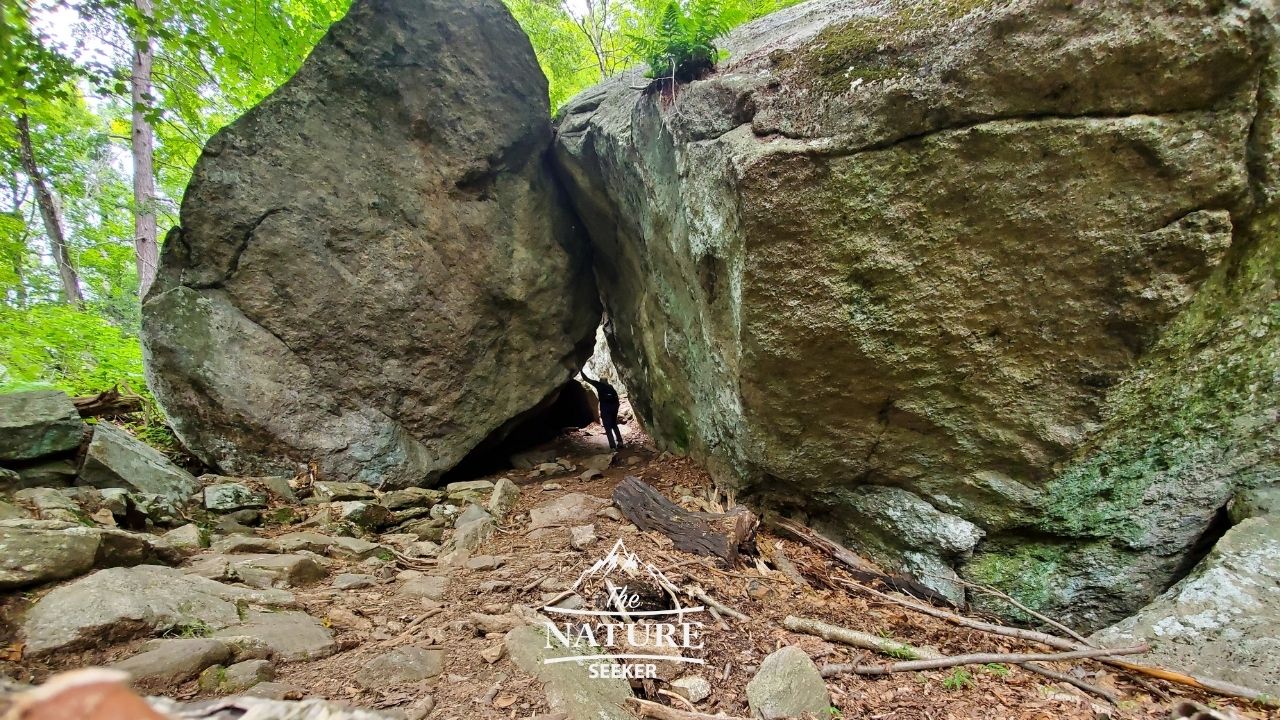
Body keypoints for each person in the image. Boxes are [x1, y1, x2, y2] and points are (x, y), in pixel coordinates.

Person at [580, 369, 623, 450]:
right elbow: (616, 400)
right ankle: (620, 442)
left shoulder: (599, 385)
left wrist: (580, 370)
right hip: (613, 409)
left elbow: (586, 379)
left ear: (600, 381)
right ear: (607, 381)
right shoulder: (611, 387)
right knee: (614, 425)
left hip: (605, 410)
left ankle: (613, 446)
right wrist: (615, 410)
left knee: (607, 427)